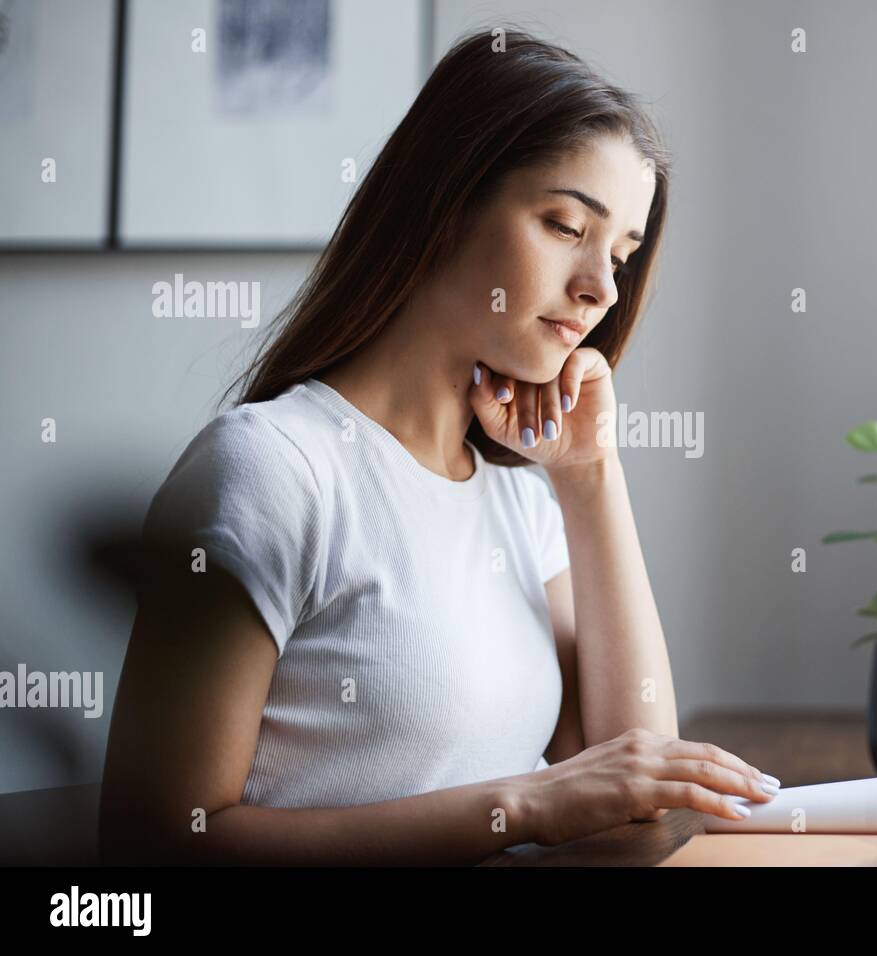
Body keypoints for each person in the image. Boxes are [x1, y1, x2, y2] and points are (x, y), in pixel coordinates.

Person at [99, 26, 779, 867]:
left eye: (623, 255)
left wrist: (590, 474)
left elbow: (639, 784)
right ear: (445, 203)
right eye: (567, 225)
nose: (601, 288)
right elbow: (155, 841)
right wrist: (522, 805)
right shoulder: (271, 469)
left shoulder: (521, 499)